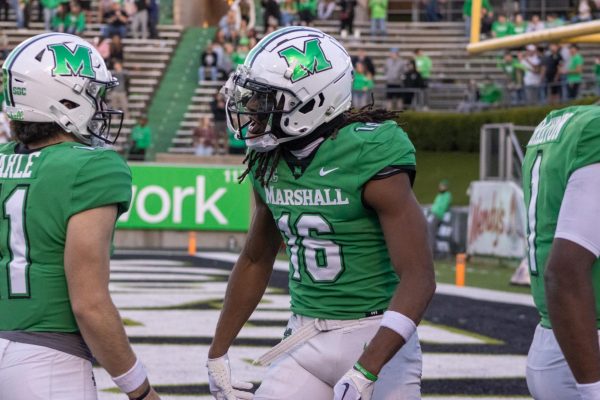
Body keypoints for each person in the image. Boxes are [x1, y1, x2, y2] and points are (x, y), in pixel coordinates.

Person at [208, 26, 435, 400]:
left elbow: (419, 276)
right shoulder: (268, 158)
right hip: (304, 335)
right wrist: (218, 350)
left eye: (266, 99)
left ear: (312, 102)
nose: (252, 110)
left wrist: (367, 371)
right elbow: (255, 258)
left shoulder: (369, 149)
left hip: (376, 337)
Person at [0, 33, 160, 400]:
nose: (100, 105)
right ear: (63, 98)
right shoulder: (93, 167)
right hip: (47, 359)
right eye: (93, 94)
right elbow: (89, 304)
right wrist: (140, 389)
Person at [523, 105, 600, 400]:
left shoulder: (561, 121)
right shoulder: (593, 132)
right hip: (586, 346)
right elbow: (565, 271)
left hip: (554, 337)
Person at [428, 179, 452, 256]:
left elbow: (442, 206)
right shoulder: (439, 195)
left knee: (431, 232)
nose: (440, 187)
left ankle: (431, 252)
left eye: (442, 186)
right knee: (430, 232)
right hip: (433, 215)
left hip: (437, 215)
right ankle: (431, 250)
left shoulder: (447, 195)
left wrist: (434, 212)